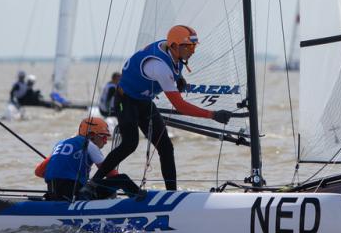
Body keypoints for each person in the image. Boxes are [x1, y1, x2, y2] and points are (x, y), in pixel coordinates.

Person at [88, 25, 232, 192]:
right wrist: (213, 114)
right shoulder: (159, 67)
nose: (193, 51)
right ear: (175, 46)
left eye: (195, 46)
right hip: (125, 100)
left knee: (166, 147)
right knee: (130, 143)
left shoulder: (171, 49)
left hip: (143, 100)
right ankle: (94, 182)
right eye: (190, 46)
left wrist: (179, 77)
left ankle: (172, 193)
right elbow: (180, 106)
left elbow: (173, 65)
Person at [34, 117, 141, 201]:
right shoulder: (89, 144)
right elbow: (111, 174)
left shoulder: (61, 143)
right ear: (91, 135)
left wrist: (64, 168)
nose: (105, 141)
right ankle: (141, 200)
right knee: (122, 179)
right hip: (74, 195)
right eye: (103, 137)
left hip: (53, 194)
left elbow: (38, 172)